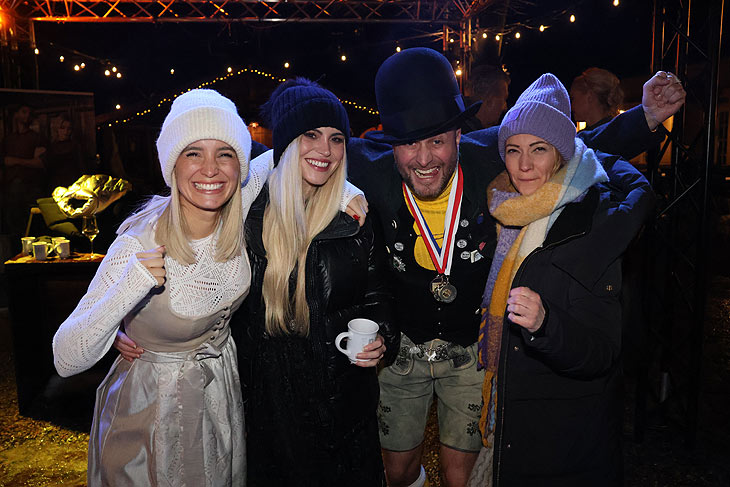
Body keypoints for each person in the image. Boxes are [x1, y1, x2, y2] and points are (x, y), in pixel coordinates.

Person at [345, 47, 685, 487]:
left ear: (459, 134)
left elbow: (578, 148)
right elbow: (290, 156)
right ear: (390, 143)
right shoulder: (365, 168)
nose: (425, 158)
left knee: (461, 478)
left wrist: (647, 115)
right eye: (409, 142)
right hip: (401, 353)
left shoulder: (494, 152)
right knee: (396, 471)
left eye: (438, 140)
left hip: (471, 351)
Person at [53, 88, 365, 486]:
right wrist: (122, 300)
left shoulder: (238, 202)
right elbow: (65, 358)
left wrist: (347, 191)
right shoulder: (139, 243)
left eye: (225, 153)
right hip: (153, 407)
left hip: (220, 392)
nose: (211, 169)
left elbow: (301, 156)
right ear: (172, 164)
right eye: (193, 153)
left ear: (240, 165)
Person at [471, 73, 649, 485]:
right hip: (514, 416)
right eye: (513, 150)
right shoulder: (502, 209)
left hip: (566, 434)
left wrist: (545, 323)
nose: (525, 164)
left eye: (539, 149)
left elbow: (603, 351)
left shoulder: (592, 220)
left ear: (561, 155)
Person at [237, 78, 397, 486]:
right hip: (267, 402)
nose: (325, 150)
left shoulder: (356, 217)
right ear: (288, 143)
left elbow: (380, 296)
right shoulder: (248, 213)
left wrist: (383, 339)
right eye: (310, 134)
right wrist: (146, 324)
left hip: (340, 398)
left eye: (336, 138)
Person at [462, 65, 511, 132]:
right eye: (504, 99)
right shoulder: (475, 138)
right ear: (489, 101)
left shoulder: (455, 129)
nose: (505, 108)